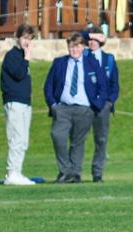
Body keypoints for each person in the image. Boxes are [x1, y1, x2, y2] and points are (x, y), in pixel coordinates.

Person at [43, 32, 108, 183]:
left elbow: (102, 85)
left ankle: (75, 173)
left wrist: (97, 103)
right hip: (63, 108)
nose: (74, 50)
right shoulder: (59, 62)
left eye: (78, 46)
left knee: (77, 142)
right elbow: (48, 86)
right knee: (57, 135)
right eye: (71, 46)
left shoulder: (92, 63)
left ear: (83, 47)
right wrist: (53, 105)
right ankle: (65, 170)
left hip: (85, 109)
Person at [0, 24, 37, 186]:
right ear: (18, 37)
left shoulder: (22, 56)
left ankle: (17, 171)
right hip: (14, 102)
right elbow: (19, 73)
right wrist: (27, 57)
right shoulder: (12, 56)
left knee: (23, 139)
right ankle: (12, 173)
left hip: (24, 102)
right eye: (24, 38)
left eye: (29, 38)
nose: (26, 42)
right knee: (16, 138)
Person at [83, 25, 120, 183]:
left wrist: (110, 101)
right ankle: (73, 172)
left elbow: (114, 83)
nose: (92, 42)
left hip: (103, 106)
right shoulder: (82, 56)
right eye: (89, 39)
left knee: (101, 140)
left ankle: (97, 173)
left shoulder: (109, 59)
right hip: (85, 105)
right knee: (78, 140)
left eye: (95, 39)